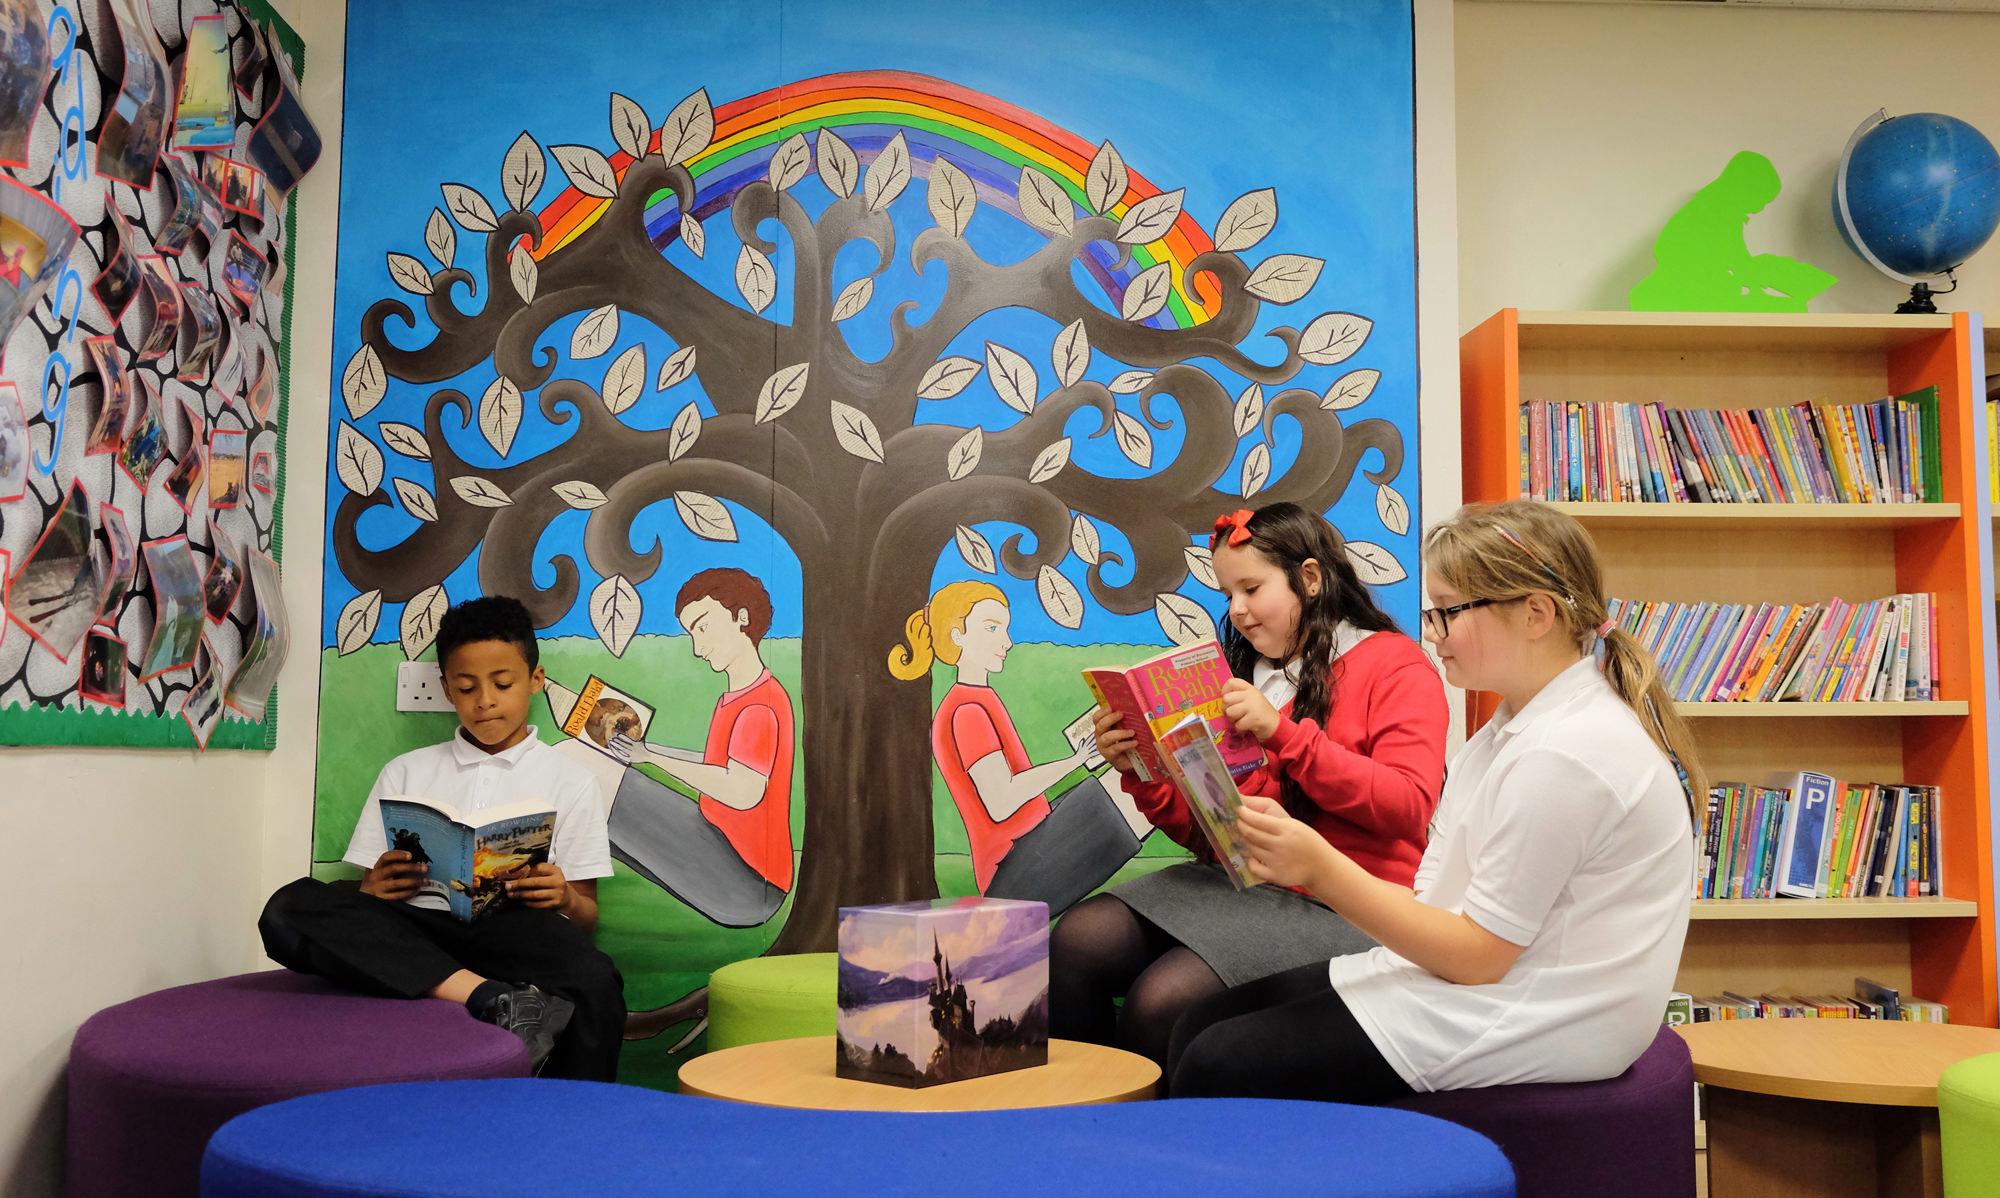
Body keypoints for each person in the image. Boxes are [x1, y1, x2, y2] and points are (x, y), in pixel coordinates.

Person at [1167, 500, 1703, 1101]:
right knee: (1197, 1024)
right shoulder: (1506, 733)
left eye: (1448, 612)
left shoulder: (1568, 753)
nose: (1431, 631)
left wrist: (1318, 868)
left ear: (1536, 614)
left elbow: (1478, 958)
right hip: (1475, 980)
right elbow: (1438, 905)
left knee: (1219, 1058)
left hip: (1537, 1013)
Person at [1053, 501, 1448, 1068]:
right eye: (1228, 594)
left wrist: (1283, 734)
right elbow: (1214, 836)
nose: (1236, 610)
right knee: (1076, 940)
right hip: (1243, 885)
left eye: (1252, 589)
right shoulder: (1244, 675)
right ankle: (1083, 1111)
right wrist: (1141, 770)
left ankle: (1152, 1123)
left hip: (1347, 901)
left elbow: (1406, 807)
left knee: (1161, 1001)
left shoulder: (1394, 664)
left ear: (1310, 579)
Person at [258, 596, 623, 1080]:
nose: (485, 700)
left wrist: (564, 899)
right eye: (467, 687)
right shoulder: (406, 771)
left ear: (535, 680)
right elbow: (367, 897)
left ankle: (575, 1113)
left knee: (597, 980)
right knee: (289, 908)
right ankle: (489, 997)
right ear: (447, 689)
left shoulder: (571, 780)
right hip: (419, 926)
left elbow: (586, 917)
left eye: (503, 684)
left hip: (514, 932)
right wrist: (373, 889)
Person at [889, 581, 1147, 915]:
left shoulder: (974, 699)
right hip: (1014, 867)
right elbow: (1001, 801)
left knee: (1138, 780)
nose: (1007, 642)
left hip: (1029, 843)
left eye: (1005, 629)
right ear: (957, 636)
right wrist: (1077, 760)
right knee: (1143, 786)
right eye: (991, 628)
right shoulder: (967, 711)